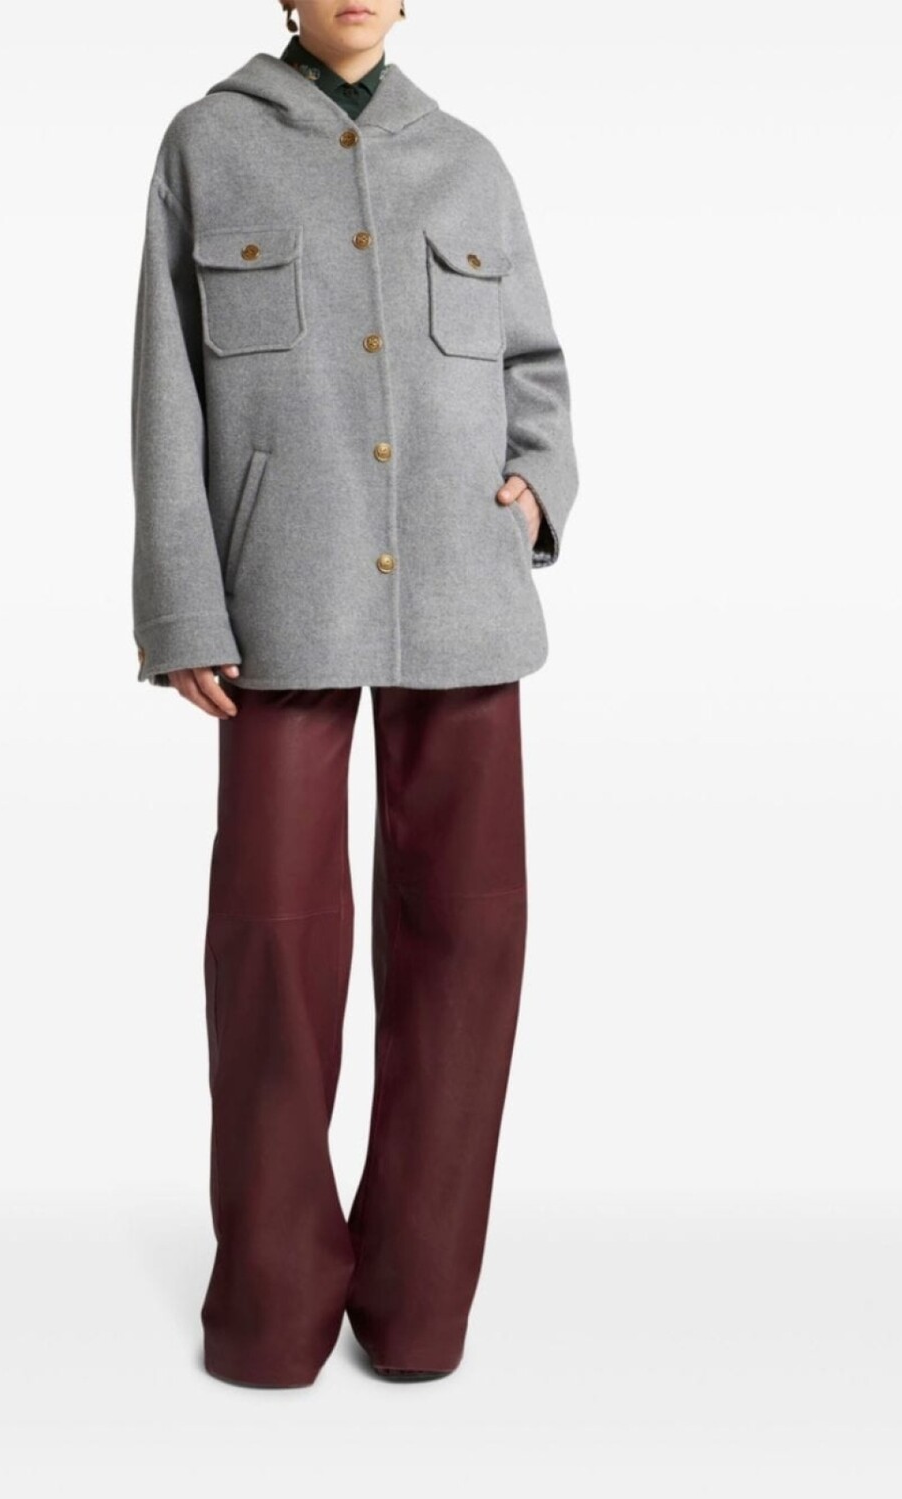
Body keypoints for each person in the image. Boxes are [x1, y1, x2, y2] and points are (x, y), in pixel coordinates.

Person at [130, 0, 579, 1388]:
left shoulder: (469, 159)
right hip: (282, 595)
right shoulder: (206, 144)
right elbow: (165, 392)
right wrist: (183, 605)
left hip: (464, 594)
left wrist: (536, 491)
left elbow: (536, 371)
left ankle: (418, 1305)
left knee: (468, 941)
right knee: (271, 944)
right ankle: (272, 1310)